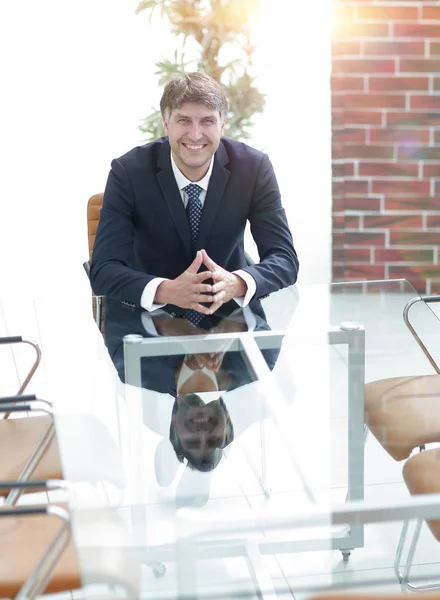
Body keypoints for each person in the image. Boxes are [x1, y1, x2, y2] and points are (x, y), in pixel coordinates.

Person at [90, 71, 299, 321]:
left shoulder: (253, 168)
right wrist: (167, 290)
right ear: (166, 124)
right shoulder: (128, 172)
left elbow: (284, 259)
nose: (195, 134)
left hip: (231, 315)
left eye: (208, 121)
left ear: (222, 125)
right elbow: (103, 270)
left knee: (270, 361)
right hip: (148, 318)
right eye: (184, 120)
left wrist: (237, 283)